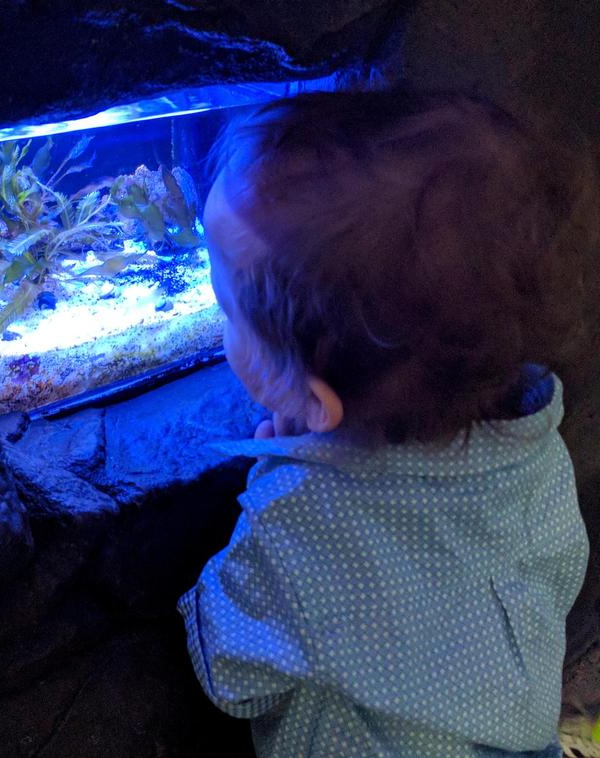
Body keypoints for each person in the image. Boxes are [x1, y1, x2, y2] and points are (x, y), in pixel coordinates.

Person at [177, 90, 597, 757]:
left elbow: (229, 673)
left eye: (226, 306)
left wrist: (273, 472)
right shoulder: (538, 451)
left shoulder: (301, 520)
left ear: (315, 403)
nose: (218, 314)